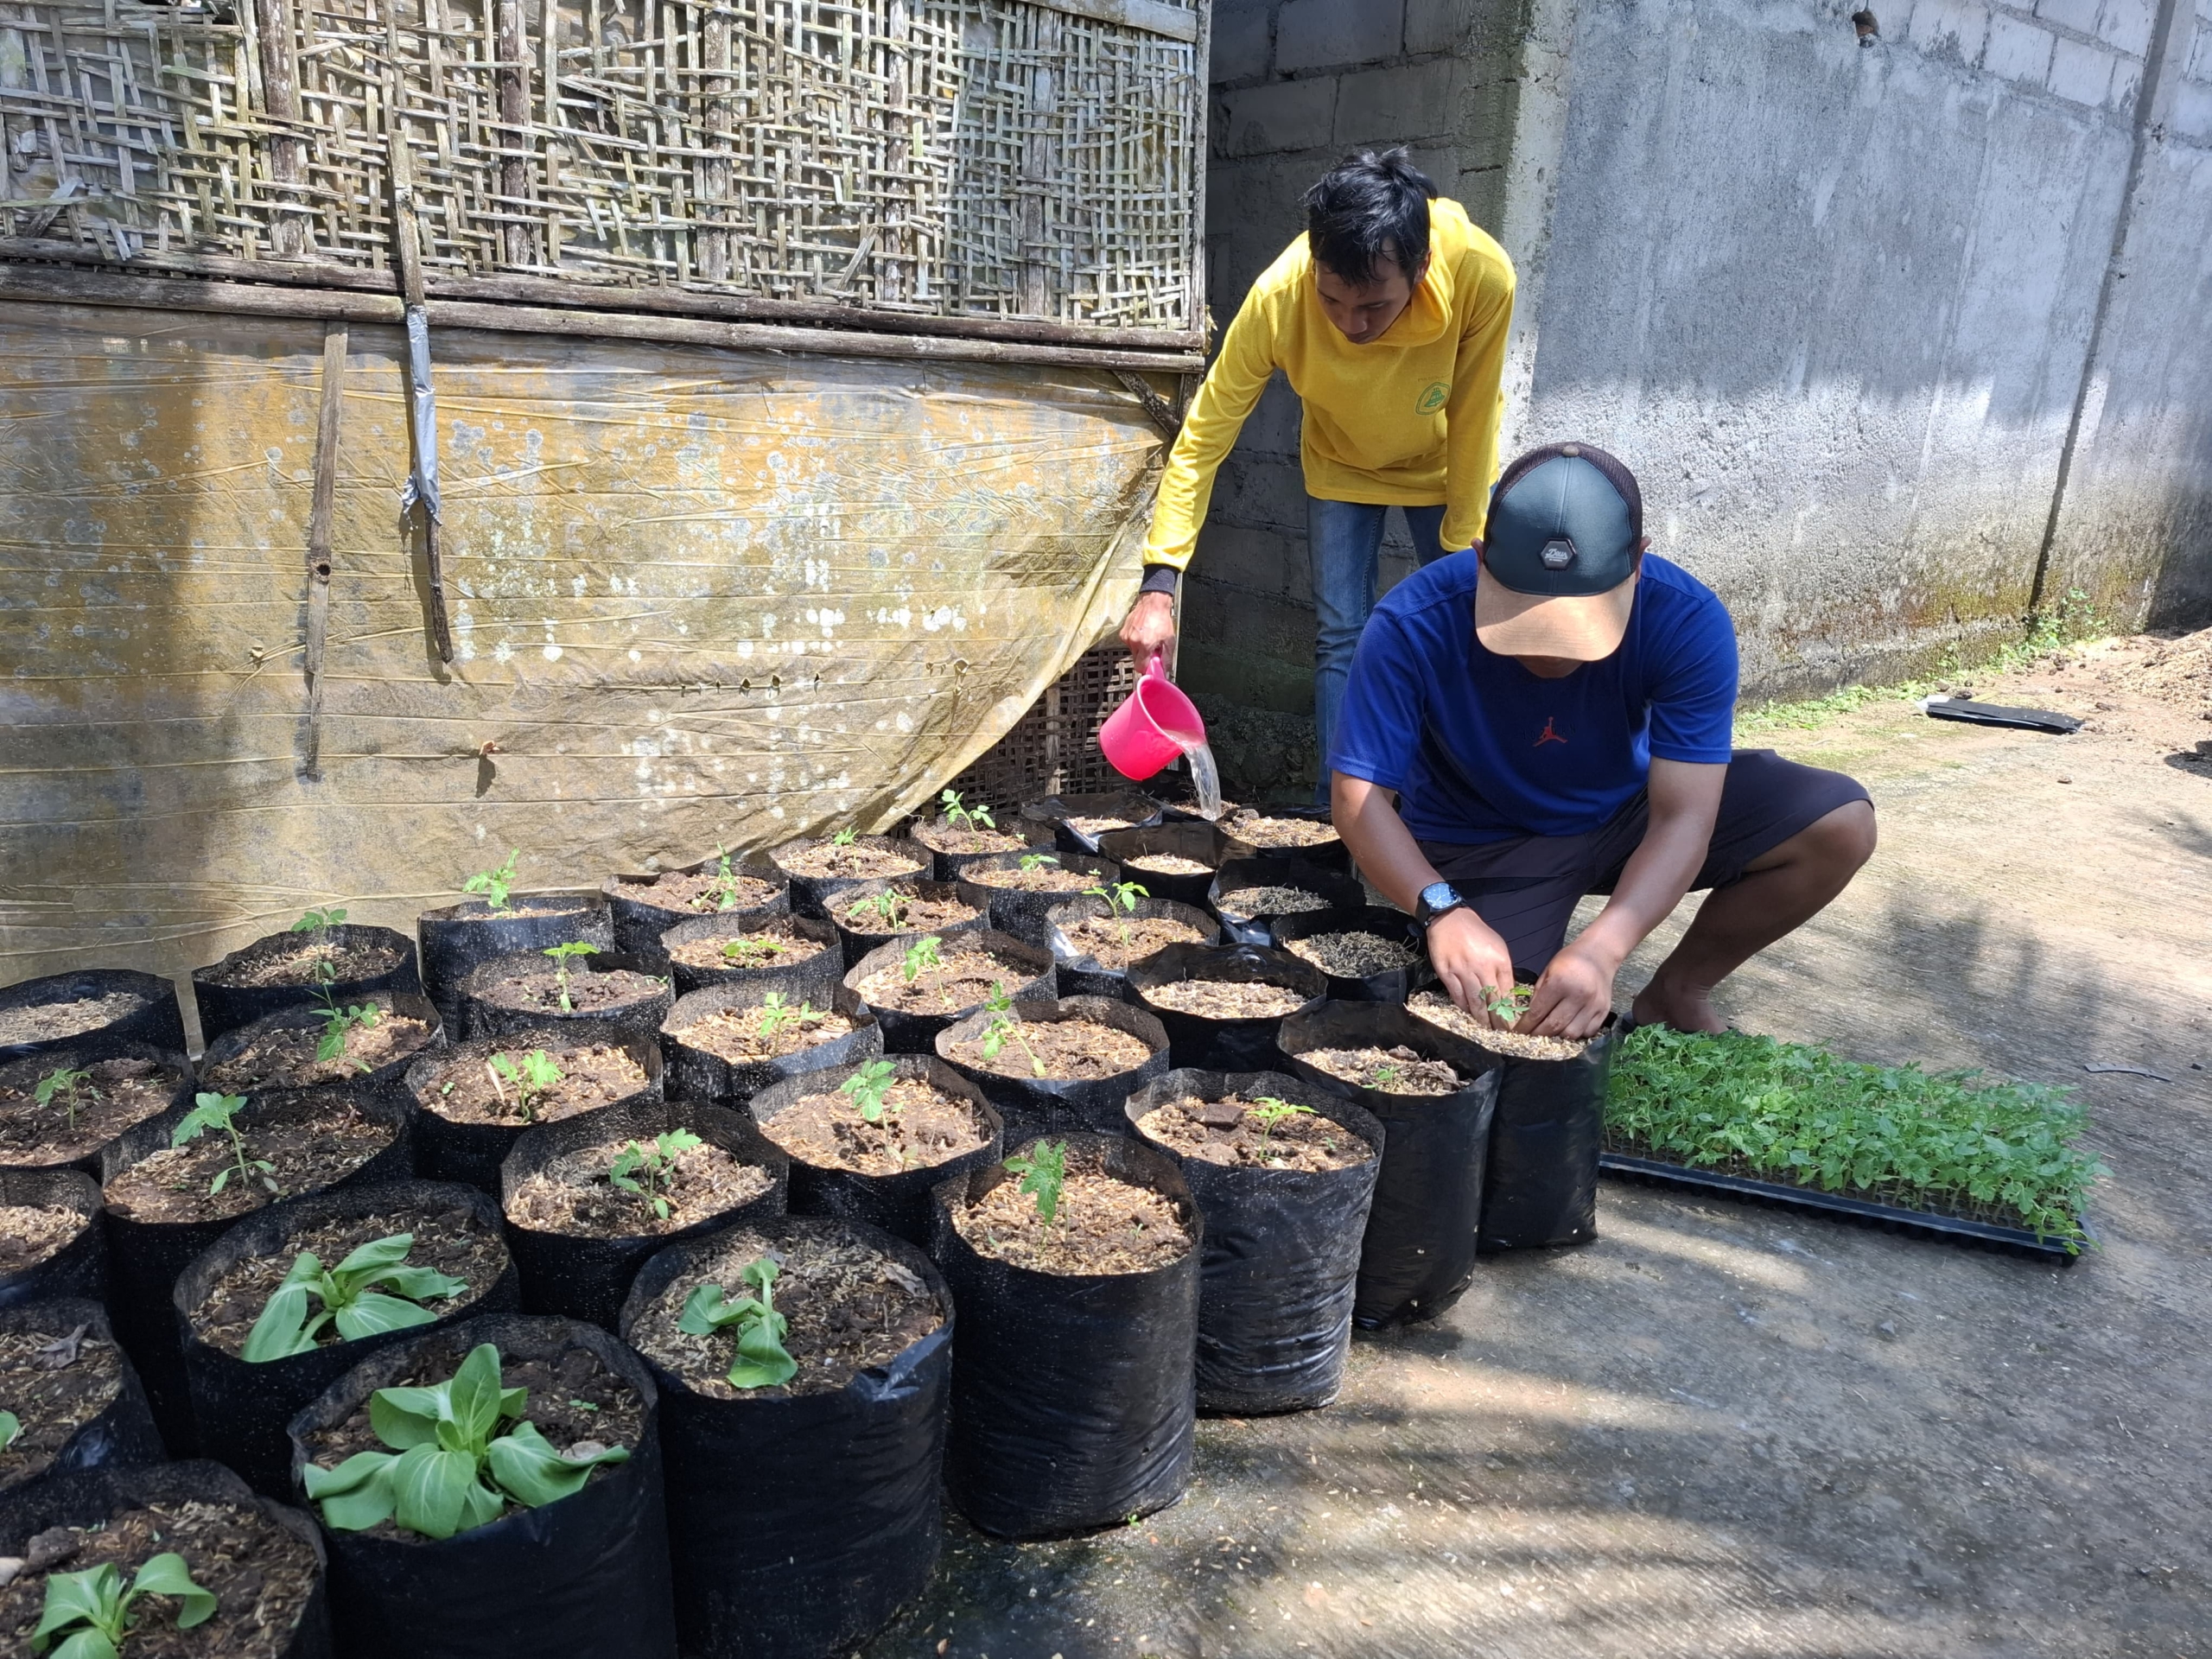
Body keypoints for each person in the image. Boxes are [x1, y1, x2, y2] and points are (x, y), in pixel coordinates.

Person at [1328, 442, 1878, 1038]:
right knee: (1512, 1027)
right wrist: (1441, 908)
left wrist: (1604, 949)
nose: (1548, 651)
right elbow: (1358, 800)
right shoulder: (1415, 620)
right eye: (1522, 620)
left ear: (1638, 562)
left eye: (1578, 626)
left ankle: (1678, 990)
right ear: (1481, 558)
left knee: (1838, 824)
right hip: (1486, 836)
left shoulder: (1685, 618)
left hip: (1628, 815)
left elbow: (1685, 816)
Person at [1119, 148, 1516, 797]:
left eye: (1373, 307)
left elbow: (1475, 420)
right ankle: (1346, 812)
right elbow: (1204, 438)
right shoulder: (1279, 297)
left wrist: (1462, 557)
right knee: (1341, 639)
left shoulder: (1482, 275)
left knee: (1464, 636)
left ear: (1419, 270)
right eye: (1332, 301)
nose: (1349, 324)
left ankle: (1453, 805)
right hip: (1341, 464)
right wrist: (1159, 583)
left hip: (1445, 466)